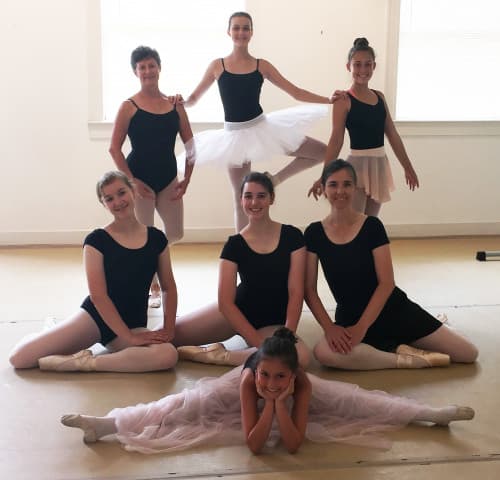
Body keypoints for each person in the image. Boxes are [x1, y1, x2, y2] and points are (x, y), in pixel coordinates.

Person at [60, 327, 475, 454]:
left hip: (293, 396)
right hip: (232, 393)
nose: (272, 383)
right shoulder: (247, 380)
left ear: (293, 376)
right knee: (179, 406)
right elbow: (256, 447)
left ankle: (430, 415)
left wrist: (278, 403)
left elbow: (291, 446)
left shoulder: (302, 383)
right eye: (267, 376)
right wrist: (269, 401)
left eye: (280, 378)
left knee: (356, 402)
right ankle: (106, 424)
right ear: (256, 371)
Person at [304, 159, 478, 370]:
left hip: (393, 310)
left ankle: (410, 340)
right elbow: (309, 290)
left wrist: (362, 327)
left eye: (347, 184)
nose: (340, 191)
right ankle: (407, 360)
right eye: (333, 184)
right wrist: (330, 328)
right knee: (323, 352)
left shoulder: (372, 226)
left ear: (355, 188)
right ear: (323, 189)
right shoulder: (314, 233)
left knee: (468, 353)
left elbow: (386, 283)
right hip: (351, 316)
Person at [9, 171, 178, 372]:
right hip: (94, 319)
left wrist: (168, 328)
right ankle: (48, 334)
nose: (118, 202)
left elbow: (168, 287)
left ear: (133, 191)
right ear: (103, 204)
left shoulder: (157, 239)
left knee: (167, 354)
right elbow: (98, 296)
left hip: (133, 323)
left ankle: (83, 363)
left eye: (121, 193)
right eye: (109, 198)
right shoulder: (96, 241)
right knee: (19, 359)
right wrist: (129, 338)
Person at [178, 11, 333, 231]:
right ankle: (241, 246)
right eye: (236, 28)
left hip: (262, 128)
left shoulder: (262, 66)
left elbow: (296, 92)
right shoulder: (217, 66)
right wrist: (179, 102)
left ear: (251, 32)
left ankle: (274, 180)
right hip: (234, 136)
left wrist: (329, 100)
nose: (241, 32)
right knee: (240, 197)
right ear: (229, 31)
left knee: (323, 152)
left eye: (245, 28)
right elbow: (193, 99)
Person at [173, 172, 310, 367]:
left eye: (261, 196)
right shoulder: (234, 245)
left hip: (273, 322)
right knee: (167, 334)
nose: (254, 202)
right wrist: (259, 343)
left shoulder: (293, 237)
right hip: (238, 312)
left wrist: (287, 334)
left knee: (300, 358)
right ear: (241, 200)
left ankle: (219, 355)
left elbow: (296, 292)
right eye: (248, 196)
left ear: (271, 198)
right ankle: (259, 353)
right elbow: (225, 303)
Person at [109, 46, 194, 308]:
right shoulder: (128, 106)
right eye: (142, 67)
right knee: (145, 237)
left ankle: (155, 265)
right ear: (135, 72)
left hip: (169, 178)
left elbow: (191, 144)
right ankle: (154, 284)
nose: (147, 71)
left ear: (159, 68)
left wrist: (187, 179)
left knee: (175, 232)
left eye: (151, 66)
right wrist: (131, 182)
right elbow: (114, 149)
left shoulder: (175, 105)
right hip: (140, 181)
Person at [309, 38, 418, 217]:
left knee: (370, 224)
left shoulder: (380, 97)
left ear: (374, 66)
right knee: (354, 222)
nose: (363, 70)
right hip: (357, 167)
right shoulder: (343, 100)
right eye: (357, 64)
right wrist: (325, 175)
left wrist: (408, 167)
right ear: (348, 67)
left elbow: (392, 134)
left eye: (367, 64)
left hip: (379, 166)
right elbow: (336, 140)